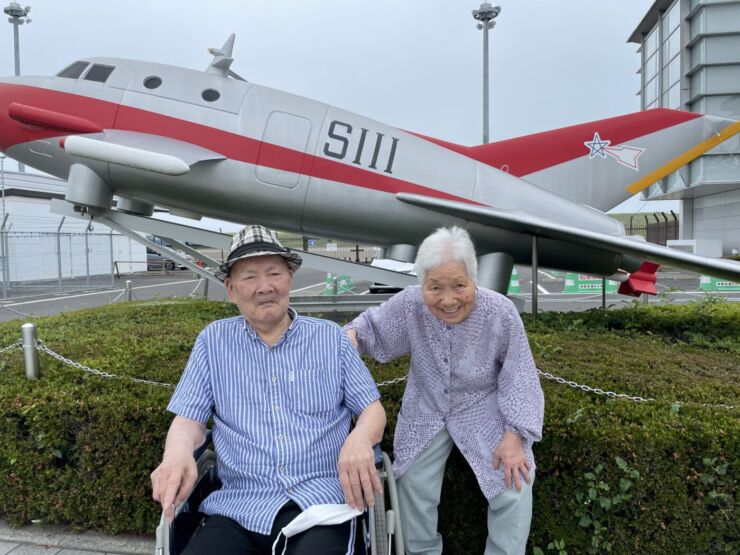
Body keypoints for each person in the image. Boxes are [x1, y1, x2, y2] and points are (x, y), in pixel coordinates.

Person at [151, 225, 386, 555]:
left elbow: (372, 409)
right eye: (249, 277)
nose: (265, 287)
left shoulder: (330, 339)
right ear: (231, 289)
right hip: (238, 506)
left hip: (322, 503)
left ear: (289, 278)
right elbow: (189, 420)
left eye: (274, 273)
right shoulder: (213, 342)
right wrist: (175, 454)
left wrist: (360, 438)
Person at [345, 226, 544, 555]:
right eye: (435, 287)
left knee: (513, 481)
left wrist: (515, 435)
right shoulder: (411, 304)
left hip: (483, 406)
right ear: (422, 282)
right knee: (411, 483)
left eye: (459, 286)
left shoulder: (500, 312)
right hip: (427, 404)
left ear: (474, 279)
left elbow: (519, 374)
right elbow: (369, 328)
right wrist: (350, 339)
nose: (448, 299)